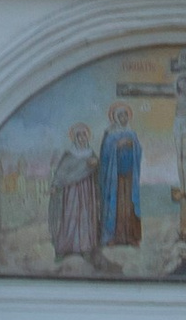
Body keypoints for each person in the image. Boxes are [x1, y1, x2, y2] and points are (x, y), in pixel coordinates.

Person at [49, 125, 101, 268]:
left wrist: (96, 164)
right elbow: (61, 172)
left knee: (85, 217)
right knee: (70, 217)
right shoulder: (69, 154)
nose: (83, 138)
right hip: (71, 191)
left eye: (85, 136)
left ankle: (85, 249)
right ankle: (63, 249)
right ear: (75, 138)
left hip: (87, 191)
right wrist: (55, 185)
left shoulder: (91, 153)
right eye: (80, 136)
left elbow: (98, 169)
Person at [98, 104, 143, 249]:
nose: (123, 118)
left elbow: (139, 151)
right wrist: (117, 145)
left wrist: (133, 145)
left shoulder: (132, 133)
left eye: (125, 115)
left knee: (129, 205)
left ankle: (131, 237)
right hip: (115, 178)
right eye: (120, 116)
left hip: (129, 175)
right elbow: (104, 154)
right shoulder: (110, 134)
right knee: (115, 205)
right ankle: (113, 237)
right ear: (115, 118)